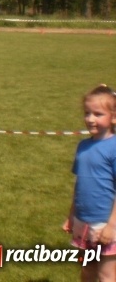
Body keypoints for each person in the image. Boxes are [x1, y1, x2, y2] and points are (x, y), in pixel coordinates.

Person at [64, 84, 116, 282]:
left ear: (113, 117)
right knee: (87, 271)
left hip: (106, 224)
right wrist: (71, 215)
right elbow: (80, 184)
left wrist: (112, 225)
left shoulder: (114, 147)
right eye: (87, 113)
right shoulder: (83, 146)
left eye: (98, 114)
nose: (90, 119)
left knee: (106, 275)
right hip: (83, 223)